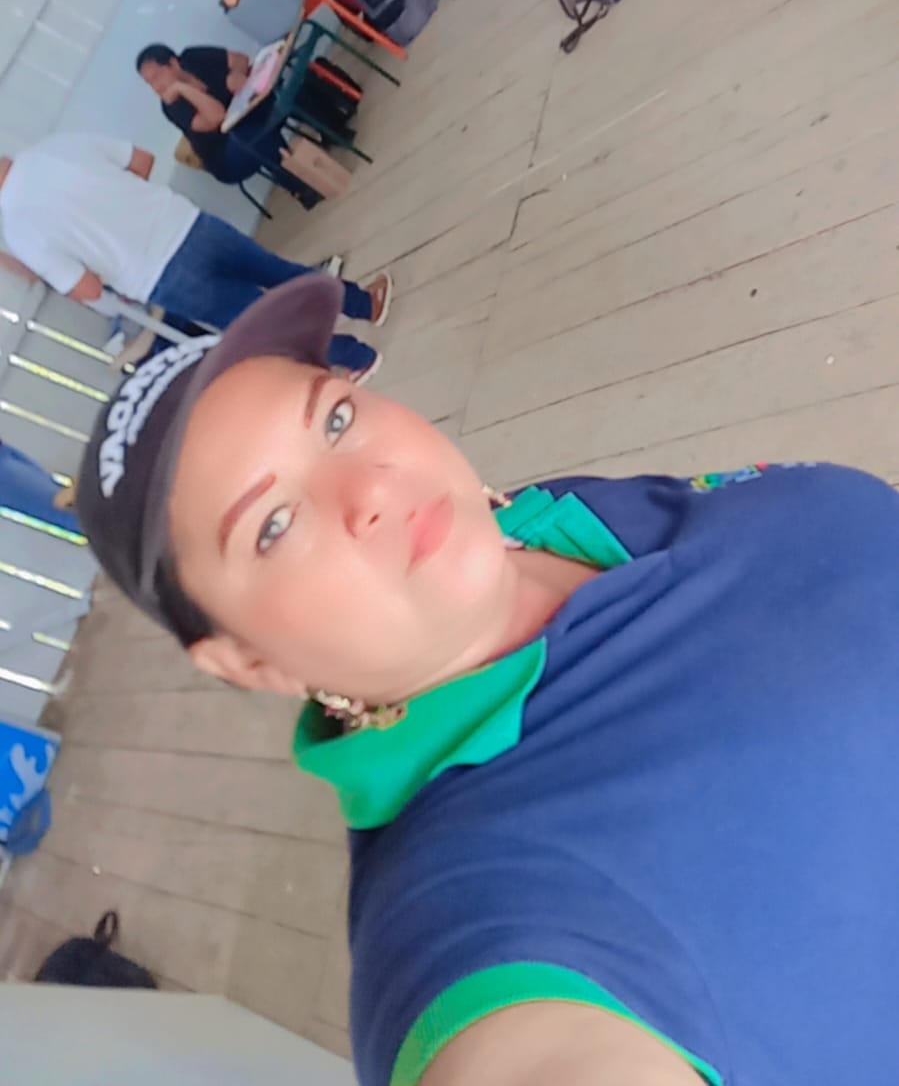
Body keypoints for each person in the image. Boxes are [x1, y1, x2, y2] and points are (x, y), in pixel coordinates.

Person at [77, 270, 899, 1086]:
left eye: (333, 418)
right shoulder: (473, 908)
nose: (371, 487)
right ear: (250, 662)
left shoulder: (526, 524)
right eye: (275, 524)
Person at [0, 136, 389, 381]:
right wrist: (131, 205)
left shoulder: (18, 227)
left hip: (159, 277)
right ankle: (366, 304)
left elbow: (85, 288)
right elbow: (141, 160)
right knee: (283, 274)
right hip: (189, 224)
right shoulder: (56, 147)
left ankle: (355, 357)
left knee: (269, 323)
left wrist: (106, 260)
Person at [134, 42, 355, 198]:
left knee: (284, 89)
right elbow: (217, 117)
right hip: (226, 155)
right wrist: (182, 88)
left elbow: (239, 59)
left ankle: (334, 130)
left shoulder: (193, 57)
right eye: (149, 83)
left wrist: (236, 75)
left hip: (247, 113)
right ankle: (303, 187)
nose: (156, 86)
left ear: (174, 63)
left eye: (157, 76)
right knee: (255, 137)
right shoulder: (171, 106)